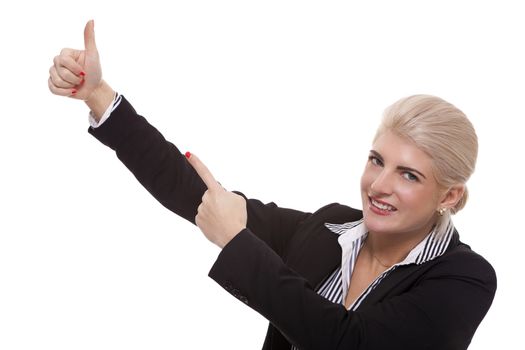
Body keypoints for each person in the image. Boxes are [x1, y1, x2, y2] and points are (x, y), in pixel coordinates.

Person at [48, 20, 496, 350]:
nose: (378, 185)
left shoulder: (464, 278)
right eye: (376, 160)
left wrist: (237, 242)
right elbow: (195, 195)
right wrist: (98, 95)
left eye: (408, 174)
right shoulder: (330, 228)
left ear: (450, 195)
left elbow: (348, 343)